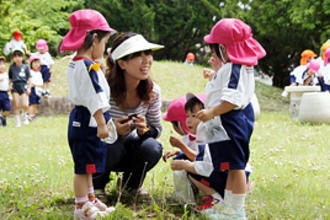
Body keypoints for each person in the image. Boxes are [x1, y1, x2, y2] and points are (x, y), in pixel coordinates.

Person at [172, 18, 266, 219]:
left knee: (236, 166)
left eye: (214, 49)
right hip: (223, 125)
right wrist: (215, 75)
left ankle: (237, 210)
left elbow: (232, 99)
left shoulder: (236, 69)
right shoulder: (233, 68)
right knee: (228, 165)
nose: (213, 53)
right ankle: (229, 207)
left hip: (230, 123)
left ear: (223, 48)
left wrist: (211, 112)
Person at [60, 9, 117, 219]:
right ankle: (81, 206)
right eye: (104, 43)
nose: (103, 48)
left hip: (80, 119)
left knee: (88, 164)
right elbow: (94, 96)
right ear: (94, 39)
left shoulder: (76, 63)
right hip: (89, 121)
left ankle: (90, 198)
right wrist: (102, 123)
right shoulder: (87, 66)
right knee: (83, 168)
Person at [92, 32, 164, 200]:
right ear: (122, 63)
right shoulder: (103, 88)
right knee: (110, 144)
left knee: (152, 147)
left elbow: (156, 129)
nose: (146, 60)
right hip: (106, 150)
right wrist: (112, 129)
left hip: (133, 148)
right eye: (138, 55)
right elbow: (87, 126)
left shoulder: (153, 91)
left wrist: (144, 129)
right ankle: (96, 185)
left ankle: (130, 185)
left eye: (148, 53)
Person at [8, 47, 31, 127]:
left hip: (23, 86)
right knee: (16, 104)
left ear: (23, 57)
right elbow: (10, 78)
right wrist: (8, 86)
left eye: (19, 56)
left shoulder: (26, 67)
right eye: (15, 56)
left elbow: (29, 78)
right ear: (13, 58)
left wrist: (29, 88)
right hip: (15, 87)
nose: (17, 58)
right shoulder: (12, 67)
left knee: (25, 104)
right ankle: (17, 121)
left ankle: (24, 115)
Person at [28, 55, 43, 120]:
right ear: (31, 64)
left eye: (38, 63)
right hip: (32, 89)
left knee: (36, 103)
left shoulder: (39, 73)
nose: (36, 64)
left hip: (38, 90)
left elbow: (41, 81)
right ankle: (30, 115)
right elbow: (30, 82)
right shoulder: (30, 72)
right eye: (35, 63)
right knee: (32, 103)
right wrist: (35, 85)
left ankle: (33, 115)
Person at [0, 56, 10, 127]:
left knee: (7, 108)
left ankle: (3, 117)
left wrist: (9, 87)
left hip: (5, 93)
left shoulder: (6, 74)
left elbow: (8, 82)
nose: (2, 66)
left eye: (3, 64)